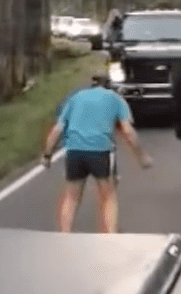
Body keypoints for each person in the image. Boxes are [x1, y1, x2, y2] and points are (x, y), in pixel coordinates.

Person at [42, 79, 152, 233]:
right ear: (109, 87)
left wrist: (47, 155)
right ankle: (111, 237)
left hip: (74, 151)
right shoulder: (115, 98)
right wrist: (142, 156)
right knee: (108, 196)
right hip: (101, 152)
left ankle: (64, 237)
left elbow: (57, 130)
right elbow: (128, 131)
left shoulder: (76, 97)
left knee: (72, 197)